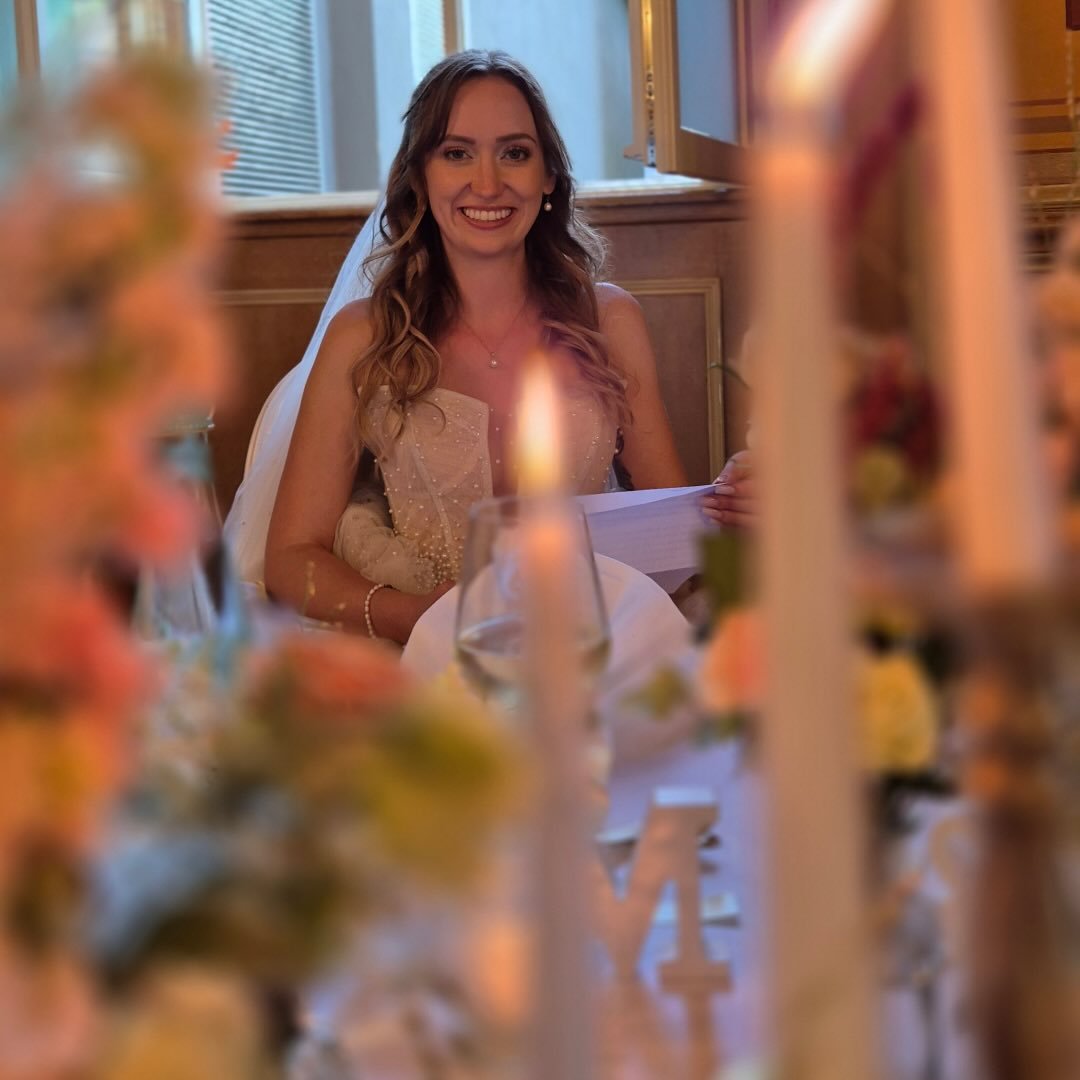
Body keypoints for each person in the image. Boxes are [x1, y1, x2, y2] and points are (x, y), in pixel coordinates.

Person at [253, 50, 691, 644]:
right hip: (416, 651)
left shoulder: (609, 321)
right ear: (419, 176)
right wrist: (416, 618)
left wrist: (730, 502)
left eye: (515, 153)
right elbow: (289, 559)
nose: (487, 183)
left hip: (585, 644)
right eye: (457, 153)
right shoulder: (364, 337)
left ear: (548, 178)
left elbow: (672, 523)